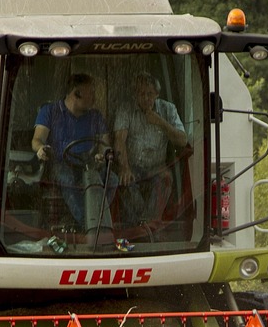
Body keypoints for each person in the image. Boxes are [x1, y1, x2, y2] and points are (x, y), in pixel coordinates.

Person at [30, 74, 118, 229]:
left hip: (89, 165)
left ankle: (94, 219)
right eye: (91, 93)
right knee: (68, 179)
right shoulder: (50, 111)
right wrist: (41, 149)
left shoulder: (95, 116)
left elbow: (105, 144)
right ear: (76, 94)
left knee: (112, 180)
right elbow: (37, 140)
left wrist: (101, 155)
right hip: (61, 163)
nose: (94, 98)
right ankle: (89, 226)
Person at [113, 72, 188, 225]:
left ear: (157, 94)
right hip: (132, 167)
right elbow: (119, 139)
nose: (146, 98)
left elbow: (182, 140)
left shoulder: (168, 109)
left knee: (165, 180)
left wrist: (161, 122)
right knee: (124, 183)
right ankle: (147, 226)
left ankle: (145, 227)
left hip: (157, 168)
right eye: (141, 94)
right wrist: (125, 168)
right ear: (135, 94)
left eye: (150, 94)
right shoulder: (126, 109)